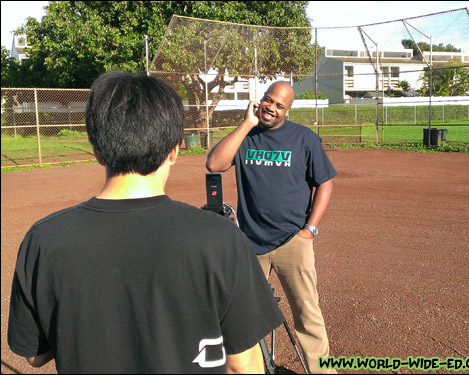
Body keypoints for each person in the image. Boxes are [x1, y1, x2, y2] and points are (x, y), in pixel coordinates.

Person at [8, 71, 284, 374]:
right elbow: (243, 365)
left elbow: (34, 355)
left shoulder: (45, 239)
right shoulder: (221, 238)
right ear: (175, 150)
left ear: (98, 151)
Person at [206, 81, 338, 374]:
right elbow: (214, 164)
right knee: (243, 315)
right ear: (260, 100)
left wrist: (310, 230)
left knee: (307, 314)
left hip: (292, 241)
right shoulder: (247, 137)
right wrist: (246, 124)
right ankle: (252, 368)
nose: (271, 108)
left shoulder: (304, 139)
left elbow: (325, 183)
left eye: (279, 105)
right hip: (250, 243)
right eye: (268, 100)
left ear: (287, 110)